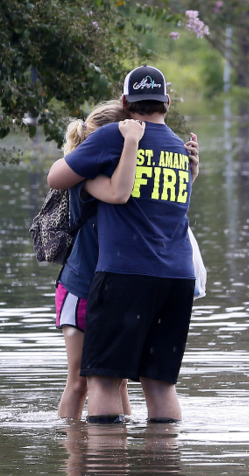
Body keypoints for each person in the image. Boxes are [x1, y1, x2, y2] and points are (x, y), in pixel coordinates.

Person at [48, 65, 200, 424]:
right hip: (178, 279)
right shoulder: (180, 149)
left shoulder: (116, 135)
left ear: (125, 102)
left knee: (102, 382)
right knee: (161, 385)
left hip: (126, 275)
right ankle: (160, 474)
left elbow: (57, 178)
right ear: (166, 101)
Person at [55, 100, 147, 419]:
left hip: (112, 290)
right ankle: (74, 462)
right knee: (80, 381)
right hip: (80, 289)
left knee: (118, 381)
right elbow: (118, 193)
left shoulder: (128, 173)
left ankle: (115, 457)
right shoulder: (89, 178)